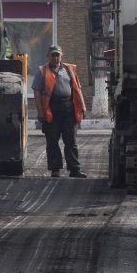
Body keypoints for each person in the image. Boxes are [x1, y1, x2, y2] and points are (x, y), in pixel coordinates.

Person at [32, 45, 88, 178]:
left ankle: (74, 169)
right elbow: (37, 92)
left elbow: (77, 89)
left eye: (57, 55)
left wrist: (83, 106)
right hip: (51, 109)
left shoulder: (69, 69)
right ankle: (55, 169)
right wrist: (40, 112)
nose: (55, 57)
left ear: (61, 56)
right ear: (48, 56)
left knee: (71, 141)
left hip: (68, 109)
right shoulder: (42, 71)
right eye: (53, 55)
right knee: (52, 141)